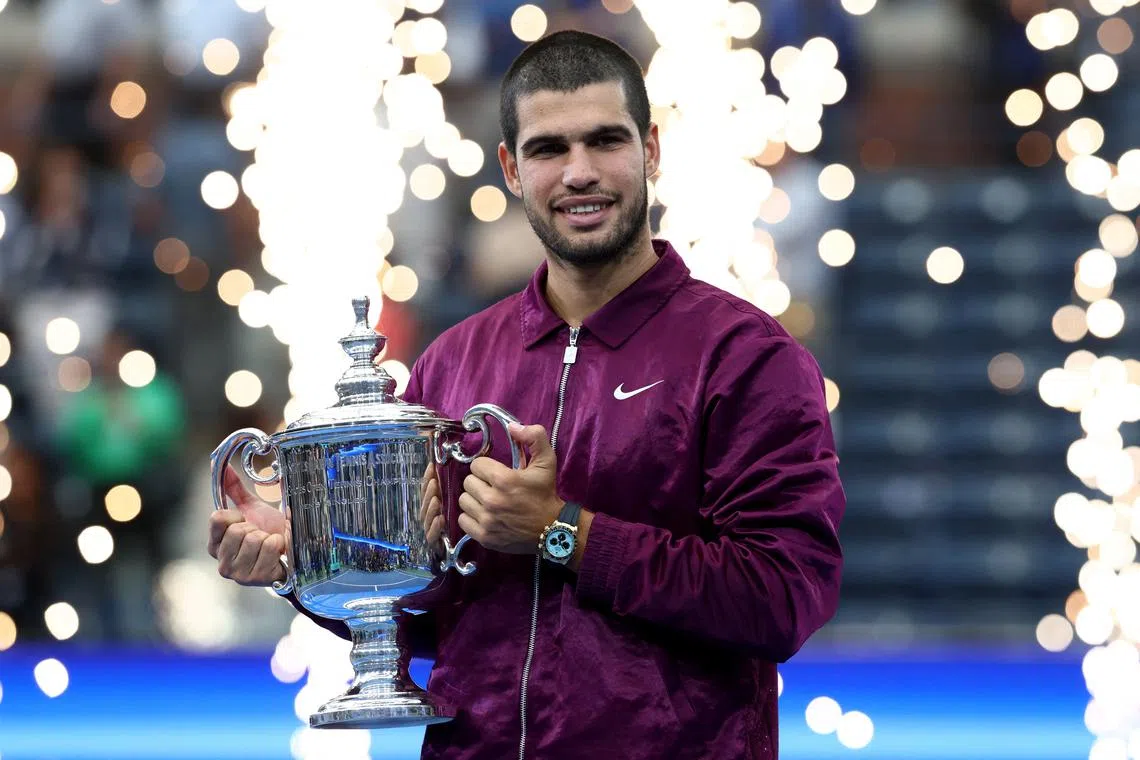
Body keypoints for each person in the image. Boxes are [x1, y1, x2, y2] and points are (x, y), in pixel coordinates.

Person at [208, 30, 844, 760]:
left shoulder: (745, 358)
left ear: (652, 151)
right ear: (511, 168)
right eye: (548, 149)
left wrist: (562, 530)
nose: (579, 173)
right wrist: (303, 565)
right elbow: (437, 617)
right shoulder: (454, 362)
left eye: (605, 141)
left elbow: (782, 599)